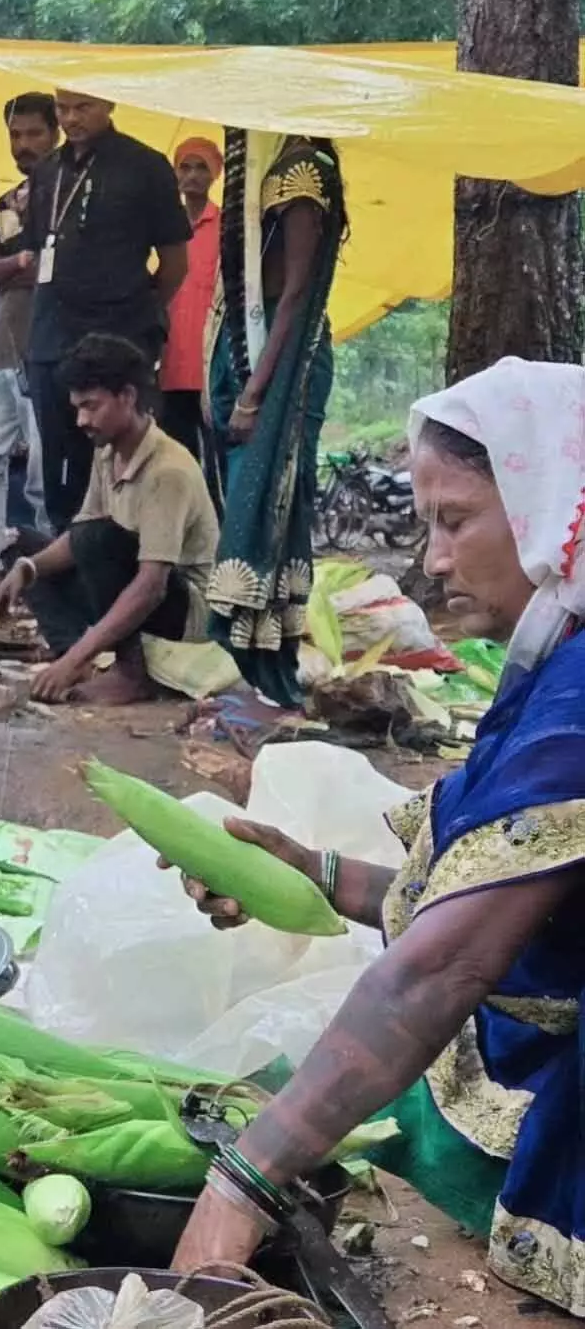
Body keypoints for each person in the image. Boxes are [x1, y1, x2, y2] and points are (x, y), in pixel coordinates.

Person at [170, 358, 585, 1318]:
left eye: (454, 519)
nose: (432, 561)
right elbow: (490, 896)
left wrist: (243, 1183)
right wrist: (310, 873)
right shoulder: (555, 658)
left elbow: (446, 967)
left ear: (548, 502)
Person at [0, 334, 218, 706]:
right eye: (77, 408)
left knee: (99, 540)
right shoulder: (108, 452)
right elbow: (77, 534)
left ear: (127, 397)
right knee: (22, 545)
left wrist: (81, 652)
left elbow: (152, 586)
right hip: (125, 580)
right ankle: (73, 658)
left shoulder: (168, 471)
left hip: (185, 610)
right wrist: (27, 567)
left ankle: (132, 674)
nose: (82, 419)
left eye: (91, 406)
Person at [206, 132, 345, 707]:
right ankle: (257, 666)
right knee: (259, 507)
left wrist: (253, 393)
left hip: (282, 370)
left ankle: (269, 672)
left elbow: (292, 294)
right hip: (260, 363)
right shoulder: (277, 168)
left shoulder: (301, 172)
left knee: (273, 508)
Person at [23, 91, 192, 534]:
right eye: (63, 109)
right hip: (51, 336)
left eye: (83, 107)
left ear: (110, 105)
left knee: (124, 458)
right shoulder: (46, 172)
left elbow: (175, 263)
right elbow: (39, 249)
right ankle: (70, 570)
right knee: (60, 464)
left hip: (119, 336)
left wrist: (138, 311)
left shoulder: (146, 166)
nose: (72, 118)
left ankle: (136, 570)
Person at [0, 93, 58, 586]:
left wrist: (23, 268)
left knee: (46, 473)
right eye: (15, 135)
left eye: (33, 133)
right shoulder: (8, 203)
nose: (23, 144)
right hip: (4, 348)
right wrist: (22, 264)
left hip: (50, 349)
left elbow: (62, 273)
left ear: (55, 133)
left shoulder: (69, 194)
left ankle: (46, 569)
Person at [159, 138, 223, 477]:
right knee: (176, 459)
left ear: (216, 174)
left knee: (216, 457)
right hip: (169, 363)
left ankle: (220, 527)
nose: (193, 175)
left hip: (211, 364)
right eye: (185, 166)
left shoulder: (227, 227)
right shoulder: (163, 226)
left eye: (202, 167)